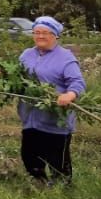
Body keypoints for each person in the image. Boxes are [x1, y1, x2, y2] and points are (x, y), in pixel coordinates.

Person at [17, 15, 86, 186]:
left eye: (45, 33)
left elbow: (77, 82)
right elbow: (17, 78)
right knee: (30, 156)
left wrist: (69, 95)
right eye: (37, 32)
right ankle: (38, 185)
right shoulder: (26, 54)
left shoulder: (65, 58)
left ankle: (62, 191)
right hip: (31, 118)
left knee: (58, 161)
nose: (40, 36)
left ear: (55, 36)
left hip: (55, 121)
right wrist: (1, 76)